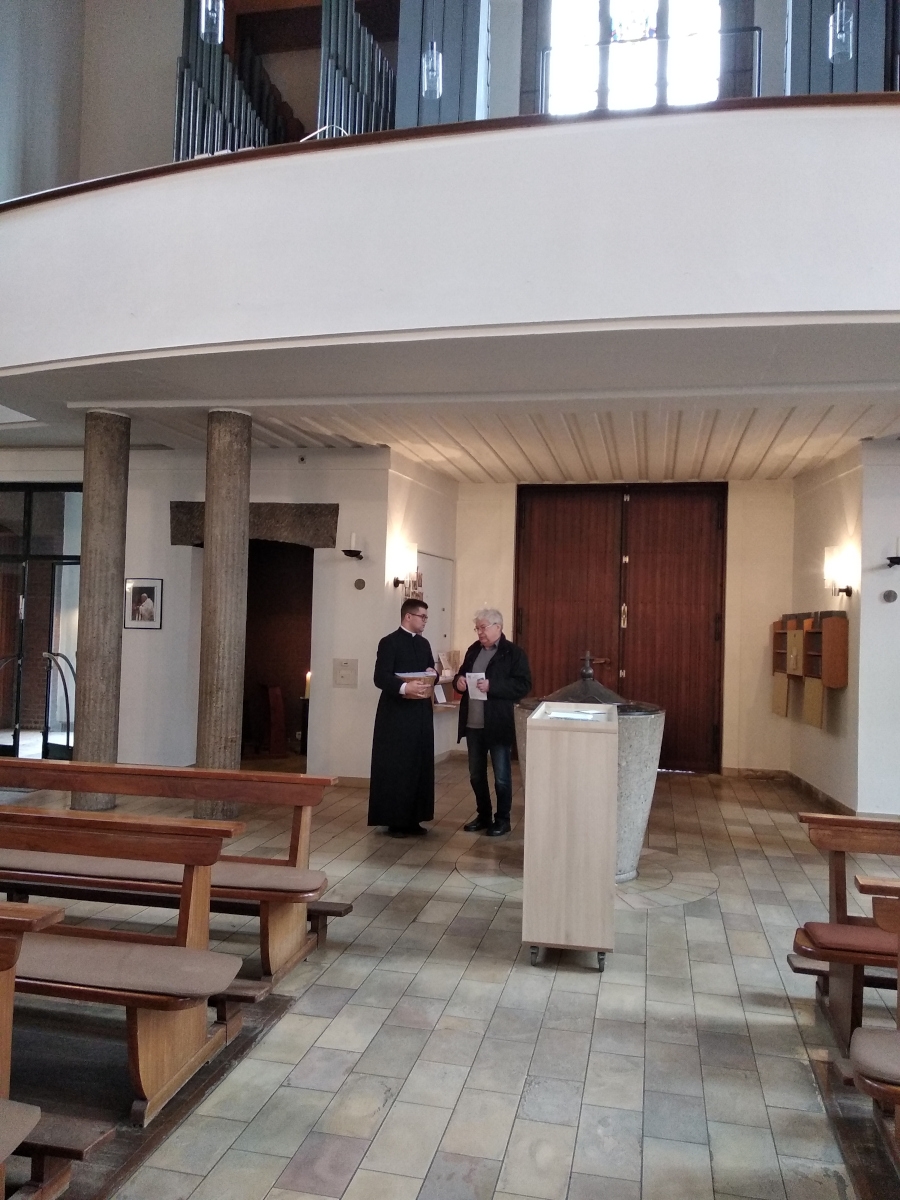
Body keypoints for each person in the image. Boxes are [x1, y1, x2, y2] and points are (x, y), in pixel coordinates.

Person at [453, 608, 532, 836]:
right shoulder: (473, 650)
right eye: (477, 628)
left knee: (502, 777)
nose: (479, 632)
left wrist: (493, 686)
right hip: (473, 723)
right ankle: (484, 815)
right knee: (476, 775)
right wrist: (459, 682)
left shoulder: (513, 653)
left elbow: (524, 685)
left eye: (483, 627)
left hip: (498, 723)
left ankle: (503, 819)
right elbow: (461, 674)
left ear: (498, 627)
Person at [368, 598, 437, 837]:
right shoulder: (389, 642)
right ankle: (395, 820)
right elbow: (380, 677)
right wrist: (404, 688)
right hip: (396, 715)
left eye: (426, 617)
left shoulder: (424, 643)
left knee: (419, 763)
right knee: (398, 766)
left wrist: (433, 674)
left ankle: (414, 818)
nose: (425, 621)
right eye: (422, 616)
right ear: (408, 616)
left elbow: (430, 670)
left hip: (420, 713)